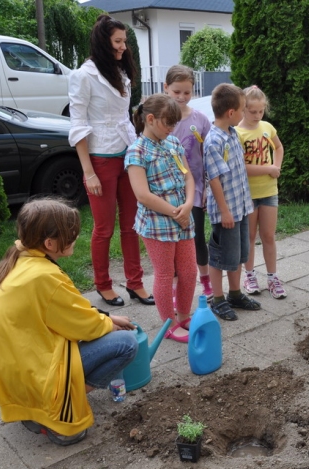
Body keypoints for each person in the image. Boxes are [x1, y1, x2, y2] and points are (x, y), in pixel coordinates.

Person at [0, 198, 138, 447]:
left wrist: (106, 317)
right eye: (71, 235)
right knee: (126, 344)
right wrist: (108, 325)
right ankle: (55, 409)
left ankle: (33, 409)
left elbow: (67, 311)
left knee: (103, 333)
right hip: (34, 372)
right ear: (50, 243)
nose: (76, 238)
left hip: (12, 372)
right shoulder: (45, 276)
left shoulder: (20, 258)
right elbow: (83, 326)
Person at [68, 14, 154, 307]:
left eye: (124, 41)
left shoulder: (121, 71)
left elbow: (124, 116)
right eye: (118, 42)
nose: (123, 47)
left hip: (128, 155)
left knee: (131, 225)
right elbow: (78, 125)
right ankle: (103, 285)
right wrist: (88, 172)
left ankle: (135, 283)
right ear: (104, 43)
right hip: (100, 160)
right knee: (104, 228)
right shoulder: (83, 76)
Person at [126, 94, 196, 343]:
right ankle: (169, 324)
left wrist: (188, 205)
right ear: (151, 119)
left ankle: (184, 315)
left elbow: (188, 176)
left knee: (188, 271)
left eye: (174, 124)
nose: (172, 129)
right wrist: (176, 212)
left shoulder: (174, 143)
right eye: (168, 123)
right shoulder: (136, 151)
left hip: (183, 219)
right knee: (165, 274)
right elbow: (143, 195)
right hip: (158, 225)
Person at [204, 83, 260, 321]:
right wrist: (225, 212)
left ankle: (235, 294)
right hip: (226, 213)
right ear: (231, 113)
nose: (245, 112)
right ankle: (218, 299)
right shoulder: (214, 141)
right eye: (243, 109)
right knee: (219, 258)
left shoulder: (232, 133)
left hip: (241, 208)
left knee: (238, 255)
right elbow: (214, 180)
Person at [163, 65, 213, 298]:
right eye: (176, 92)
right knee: (172, 242)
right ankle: (175, 286)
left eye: (187, 92)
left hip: (196, 190)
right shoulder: (161, 122)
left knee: (197, 237)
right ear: (166, 89)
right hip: (167, 193)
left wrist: (206, 188)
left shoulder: (201, 120)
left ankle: (206, 280)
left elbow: (208, 157)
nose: (182, 97)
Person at [237, 86, 287, 299]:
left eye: (260, 111)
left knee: (268, 235)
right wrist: (269, 169)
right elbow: (240, 166)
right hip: (248, 193)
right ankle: (249, 275)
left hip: (268, 191)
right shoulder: (237, 133)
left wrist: (277, 166)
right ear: (242, 109)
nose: (257, 116)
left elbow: (278, 147)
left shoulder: (267, 127)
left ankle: (273, 277)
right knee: (248, 237)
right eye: (252, 111)